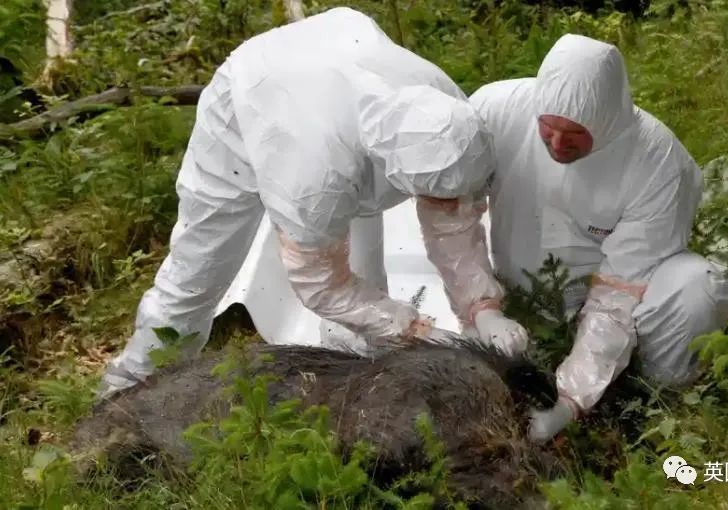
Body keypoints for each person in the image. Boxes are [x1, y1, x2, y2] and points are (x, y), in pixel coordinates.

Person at [97, 7, 528, 399]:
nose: (444, 205)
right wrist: (412, 327)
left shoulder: (448, 114)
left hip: (340, 75)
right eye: (434, 196)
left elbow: (453, 221)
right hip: (253, 96)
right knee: (199, 271)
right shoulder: (313, 174)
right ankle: (131, 389)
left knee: (367, 274)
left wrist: (482, 310)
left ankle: (362, 381)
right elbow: (320, 282)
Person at [468, 34, 728, 442]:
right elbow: (453, 215)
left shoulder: (657, 162)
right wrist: (481, 305)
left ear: (609, 122)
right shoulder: (496, 109)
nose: (558, 144)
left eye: (575, 134)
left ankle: (655, 399)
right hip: (505, 294)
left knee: (696, 289)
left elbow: (616, 297)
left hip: (605, 299)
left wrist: (569, 401)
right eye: (548, 127)